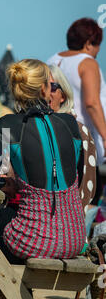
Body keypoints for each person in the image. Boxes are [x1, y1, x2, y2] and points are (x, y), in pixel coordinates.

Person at [0, 59, 86, 263]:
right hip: (75, 238)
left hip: (34, 240)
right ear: (45, 88)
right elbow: (76, 177)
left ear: (15, 89)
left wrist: (7, 183)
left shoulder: (7, 124)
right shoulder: (70, 123)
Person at [46, 18, 106, 204]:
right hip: (82, 138)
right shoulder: (87, 63)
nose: (98, 52)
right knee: (88, 196)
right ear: (89, 43)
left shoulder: (52, 60)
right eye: (98, 45)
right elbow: (92, 103)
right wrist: (105, 136)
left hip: (54, 133)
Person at [48, 64, 97, 214]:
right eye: (36, 85)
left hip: (64, 221)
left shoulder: (77, 130)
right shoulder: (8, 124)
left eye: (51, 86)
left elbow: (86, 187)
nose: (43, 91)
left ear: (63, 95)